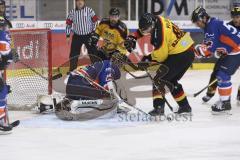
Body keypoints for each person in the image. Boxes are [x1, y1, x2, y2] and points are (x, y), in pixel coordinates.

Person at [124, 13, 195, 116]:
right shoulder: (156, 18)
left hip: (181, 54)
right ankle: (185, 107)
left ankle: (159, 109)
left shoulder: (159, 35)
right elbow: (142, 29)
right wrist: (132, 37)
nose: (146, 33)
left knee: (158, 79)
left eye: (147, 30)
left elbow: (160, 57)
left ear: (152, 26)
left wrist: (146, 60)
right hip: (186, 50)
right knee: (171, 80)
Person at [191, 6, 240, 113]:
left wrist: (195, 52)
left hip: (237, 50)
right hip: (234, 50)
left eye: (197, 22)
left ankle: (225, 103)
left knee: (223, 75)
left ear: (203, 18)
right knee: (219, 74)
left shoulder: (212, 26)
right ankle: (224, 100)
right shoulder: (212, 25)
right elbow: (212, 46)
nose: (197, 25)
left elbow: (209, 49)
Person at [66, 0, 98, 72]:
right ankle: (72, 71)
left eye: (81, 1)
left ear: (84, 2)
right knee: (73, 54)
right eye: (78, 1)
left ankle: (97, 70)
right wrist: (67, 35)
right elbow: (68, 24)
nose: (80, 2)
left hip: (89, 35)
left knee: (93, 53)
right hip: (77, 36)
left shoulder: (89, 10)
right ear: (76, 2)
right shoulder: (72, 12)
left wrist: (93, 33)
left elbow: (95, 22)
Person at [0, 17, 16, 127]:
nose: (5, 28)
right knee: (2, 90)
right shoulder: (2, 34)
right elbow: (5, 51)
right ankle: (1, 121)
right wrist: (11, 56)